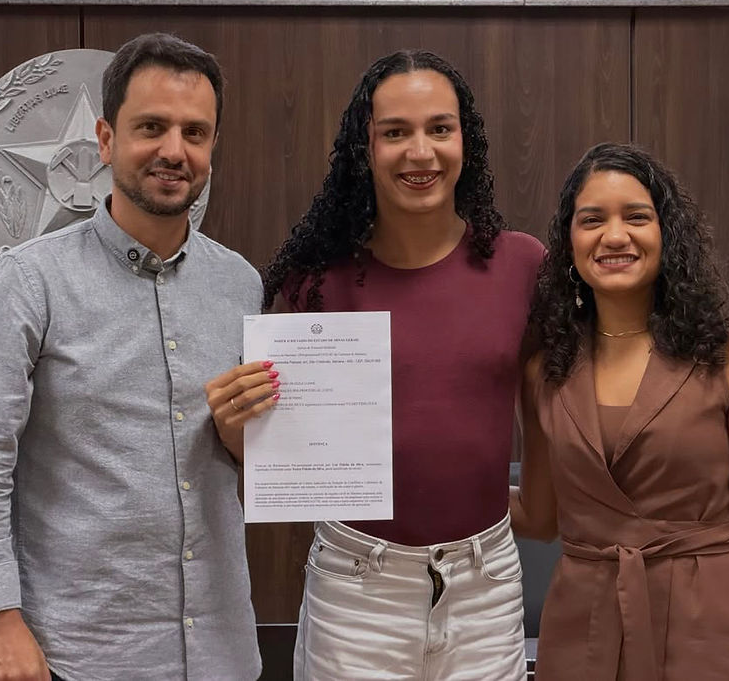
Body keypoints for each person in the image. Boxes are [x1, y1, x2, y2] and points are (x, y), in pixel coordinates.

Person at [0, 33, 272, 681]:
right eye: (151, 126)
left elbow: (249, 465)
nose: (174, 150)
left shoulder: (242, 285)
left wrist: (244, 444)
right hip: (78, 653)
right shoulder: (28, 280)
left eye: (195, 132)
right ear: (104, 138)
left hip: (221, 651)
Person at [212, 49, 544, 680]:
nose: (420, 153)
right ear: (365, 150)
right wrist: (239, 437)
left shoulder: (523, 266)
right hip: (356, 588)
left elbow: (554, 418)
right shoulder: (315, 283)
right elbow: (278, 468)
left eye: (439, 129)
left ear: (464, 142)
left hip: (487, 586)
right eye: (395, 132)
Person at [511, 143, 729, 680]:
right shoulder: (543, 372)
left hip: (709, 629)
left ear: (667, 234)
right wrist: (431, 488)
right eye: (592, 220)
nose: (614, 236)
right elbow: (541, 515)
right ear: (569, 240)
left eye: (636, 217)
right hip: (581, 635)